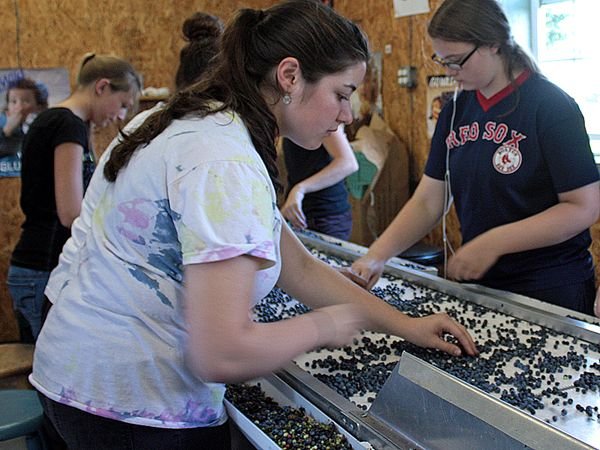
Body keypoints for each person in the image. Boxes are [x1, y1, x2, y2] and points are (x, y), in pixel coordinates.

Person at [30, 2, 478, 449]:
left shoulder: (193, 122)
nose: (347, 114)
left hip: (75, 373)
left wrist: (406, 324)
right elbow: (222, 353)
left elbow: (296, 268)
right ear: (289, 76)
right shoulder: (224, 161)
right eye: (342, 94)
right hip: (135, 407)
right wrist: (326, 325)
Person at [349, 0, 600, 315]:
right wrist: (376, 255)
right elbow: (430, 200)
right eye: (442, 61)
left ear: (494, 44)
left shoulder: (552, 106)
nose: (450, 72)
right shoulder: (454, 110)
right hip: (482, 284)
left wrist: (494, 242)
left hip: (549, 286)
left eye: (456, 61)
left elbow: (583, 207)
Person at [7, 53, 141, 342]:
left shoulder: (57, 119)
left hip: (35, 266)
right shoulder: (68, 124)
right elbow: (70, 212)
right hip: (42, 268)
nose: (120, 116)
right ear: (102, 86)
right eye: (122, 105)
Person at [281, 126, 358, 240]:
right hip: (301, 214)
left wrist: (300, 189)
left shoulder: (321, 114)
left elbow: (348, 163)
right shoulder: (295, 117)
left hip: (326, 216)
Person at [0, 78, 48, 177]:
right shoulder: (2, 123)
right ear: (7, 107)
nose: (19, 107)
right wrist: (6, 131)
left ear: (38, 106)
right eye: (13, 102)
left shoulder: (43, 125)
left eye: (25, 101)